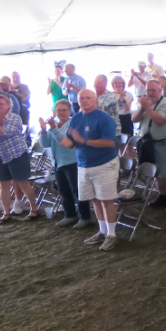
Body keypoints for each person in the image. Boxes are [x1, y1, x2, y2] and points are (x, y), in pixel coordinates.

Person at [61, 89, 120, 251]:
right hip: (83, 164)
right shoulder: (77, 118)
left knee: (106, 199)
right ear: (78, 100)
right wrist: (70, 142)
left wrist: (83, 141)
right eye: (82, 98)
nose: (85, 101)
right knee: (94, 199)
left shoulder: (103, 118)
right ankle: (102, 231)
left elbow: (109, 143)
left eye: (88, 98)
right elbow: (73, 142)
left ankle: (112, 235)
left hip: (104, 163)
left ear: (95, 100)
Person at [0, 93, 39, 223]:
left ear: (8, 106)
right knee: (3, 185)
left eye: (1, 104)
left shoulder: (14, 118)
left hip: (16, 154)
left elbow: (4, 132)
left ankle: (34, 209)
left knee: (23, 183)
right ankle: (6, 213)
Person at [39, 100, 91, 228]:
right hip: (58, 163)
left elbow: (65, 143)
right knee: (64, 192)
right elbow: (45, 144)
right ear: (55, 112)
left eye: (64, 110)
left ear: (69, 111)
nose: (61, 113)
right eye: (59, 110)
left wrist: (53, 128)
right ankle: (70, 215)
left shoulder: (73, 124)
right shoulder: (55, 125)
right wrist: (44, 130)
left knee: (77, 191)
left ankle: (85, 217)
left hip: (72, 162)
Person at [132, 80, 166, 213]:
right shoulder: (145, 103)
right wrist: (142, 108)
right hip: (149, 143)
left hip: (165, 143)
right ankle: (163, 196)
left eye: (153, 90)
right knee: (158, 173)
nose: (150, 93)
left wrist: (147, 107)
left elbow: (160, 121)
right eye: (148, 90)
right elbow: (134, 119)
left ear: (160, 90)